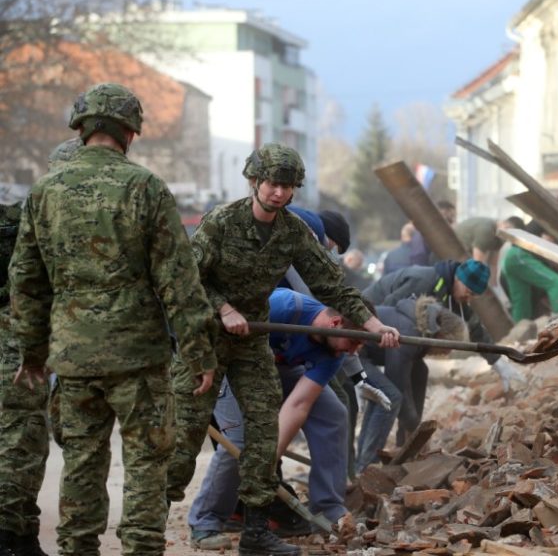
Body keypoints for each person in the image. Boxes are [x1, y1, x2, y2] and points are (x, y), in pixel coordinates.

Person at [10, 83, 219, 556]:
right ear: (130, 131)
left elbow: (27, 281)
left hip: (75, 357)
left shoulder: (43, 192)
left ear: (81, 127)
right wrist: (199, 352)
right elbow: (179, 282)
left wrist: (32, 353)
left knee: (82, 462)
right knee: (147, 464)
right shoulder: (145, 187)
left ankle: (77, 547)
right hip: (138, 359)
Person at [166, 142, 400, 556]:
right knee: (185, 438)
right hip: (207, 340)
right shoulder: (221, 222)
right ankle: (151, 524)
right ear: (255, 181)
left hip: (251, 343)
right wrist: (223, 308)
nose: (278, 193)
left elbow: (331, 282)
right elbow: (188, 279)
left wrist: (373, 324)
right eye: (273, 183)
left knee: (262, 434)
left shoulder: (292, 231)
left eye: (287, 186)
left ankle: (256, 532)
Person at [188, 289, 392, 549]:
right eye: (355, 343)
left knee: (333, 415)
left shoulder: (334, 353)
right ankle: (206, 521)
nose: (355, 351)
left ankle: (328, 509)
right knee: (240, 443)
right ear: (335, 323)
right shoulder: (282, 307)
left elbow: (299, 404)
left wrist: (267, 463)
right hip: (229, 366)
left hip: (279, 369)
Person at [0, 137, 80, 556]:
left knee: (31, 439)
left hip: (41, 340)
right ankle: (13, 538)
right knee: (23, 438)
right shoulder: (28, 217)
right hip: (20, 343)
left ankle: (22, 533)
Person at [363, 259, 525, 392]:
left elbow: (476, 330)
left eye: (473, 296)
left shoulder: (454, 295)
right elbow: (386, 309)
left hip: (397, 341)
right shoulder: (424, 281)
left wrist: (498, 363)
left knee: (420, 373)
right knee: (393, 394)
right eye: (468, 292)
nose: (468, 298)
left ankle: (409, 430)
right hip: (363, 325)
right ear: (458, 278)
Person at [356, 296, 467, 462]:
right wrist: (414, 428)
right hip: (351, 352)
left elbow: (412, 379)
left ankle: (402, 448)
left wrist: (414, 430)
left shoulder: (419, 330)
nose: (447, 353)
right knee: (389, 396)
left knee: (420, 371)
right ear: (441, 335)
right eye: (449, 346)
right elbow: (397, 382)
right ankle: (365, 464)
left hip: (363, 354)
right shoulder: (409, 333)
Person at [502, 190, 558, 321]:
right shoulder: (552, 218)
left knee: (522, 305)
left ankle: (519, 337)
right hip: (521, 256)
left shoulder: (545, 217)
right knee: (556, 283)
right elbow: (548, 246)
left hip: (513, 258)